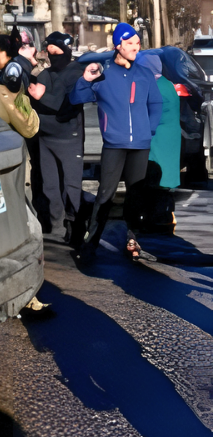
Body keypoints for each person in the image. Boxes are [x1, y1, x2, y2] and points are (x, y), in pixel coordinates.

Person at [69, 23, 163, 261]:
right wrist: (85, 79)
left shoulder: (144, 74)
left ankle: (132, 239)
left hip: (140, 144)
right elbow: (76, 98)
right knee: (105, 195)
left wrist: (149, 130)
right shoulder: (104, 73)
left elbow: (155, 103)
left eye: (138, 43)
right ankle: (91, 244)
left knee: (136, 195)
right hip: (114, 144)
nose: (136, 47)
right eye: (130, 43)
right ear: (118, 45)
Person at [29, 32, 86, 243]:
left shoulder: (76, 73)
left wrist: (42, 96)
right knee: (50, 186)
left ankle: (76, 228)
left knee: (71, 186)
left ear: (67, 51)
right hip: (46, 137)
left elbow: (68, 104)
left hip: (69, 137)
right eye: (50, 52)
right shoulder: (45, 74)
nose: (54, 57)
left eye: (58, 52)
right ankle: (56, 227)